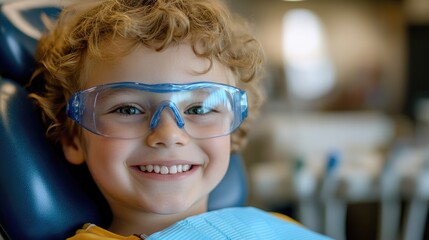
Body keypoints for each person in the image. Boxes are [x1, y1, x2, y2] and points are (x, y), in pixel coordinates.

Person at [29, 0, 331, 239]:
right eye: (128, 109)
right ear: (72, 138)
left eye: (199, 110)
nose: (169, 134)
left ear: (233, 133)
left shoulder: (272, 227)